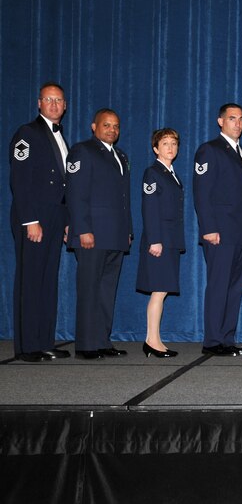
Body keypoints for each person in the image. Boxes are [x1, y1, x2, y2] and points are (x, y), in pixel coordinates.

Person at [8, 82, 71, 362]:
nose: (54, 104)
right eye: (49, 99)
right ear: (39, 103)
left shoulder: (60, 136)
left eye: (59, 100)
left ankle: (44, 340)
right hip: (35, 216)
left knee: (48, 280)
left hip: (56, 216)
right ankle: (27, 346)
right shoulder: (28, 133)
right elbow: (20, 180)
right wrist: (30, 219)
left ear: (65, 105)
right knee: (31, 280)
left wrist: (67, 220)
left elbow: (64, 184)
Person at [67, 108, 132, 359]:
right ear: (94, 127)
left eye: (116, 126)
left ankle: (102, 341)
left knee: (107, 290)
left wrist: (127, 230)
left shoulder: (121, 155)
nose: (112, 130)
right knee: (89, 289)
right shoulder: (83, 150)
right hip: (92, 233)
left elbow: (124, 198)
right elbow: (75, 193)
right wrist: (82, 229)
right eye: (107, 125)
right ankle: (85, 345)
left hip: (115, 234)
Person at [193, 103, 242, 357]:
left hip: (240, 232)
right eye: (231, 118)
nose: (237, 123)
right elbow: (202, 192)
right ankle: (213, 340)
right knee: (219, 285)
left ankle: (227, 338)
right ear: (220, 122)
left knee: (234, 287)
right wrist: (208, 227)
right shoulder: (210, 150)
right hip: (219, 231)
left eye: (241, 119)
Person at [136, 128, 185, 358]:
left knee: (162, 290)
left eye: (174, 143)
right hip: (160, 240)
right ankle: (151, 340)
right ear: (156, 148)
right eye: (165, 143)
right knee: (158, 291)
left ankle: (155, 339)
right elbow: (150, 208)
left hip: (170, 239)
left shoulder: (171, 174)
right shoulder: (152, 173)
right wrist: (155, 240)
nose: (170, 147)